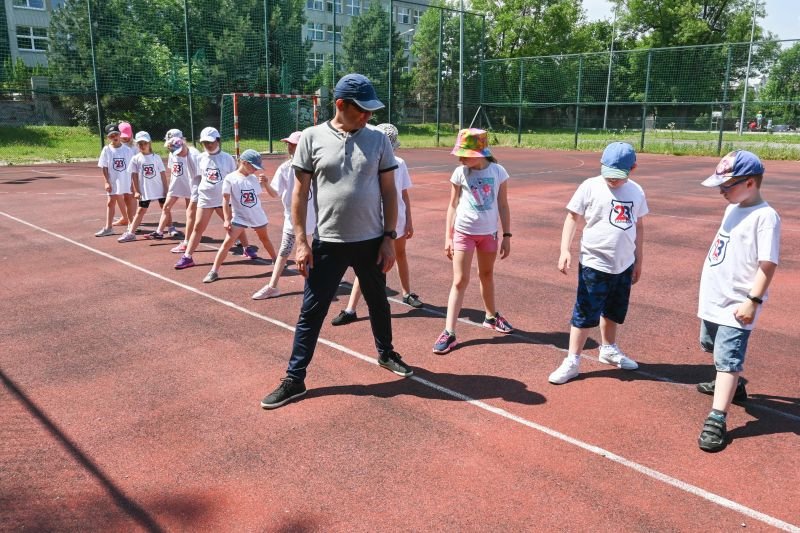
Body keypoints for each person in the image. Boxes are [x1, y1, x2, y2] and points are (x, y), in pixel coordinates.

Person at [261, 73, 413, 410]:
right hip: (327, 241)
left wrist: (389, 237)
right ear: (341, 105)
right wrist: (301, 240)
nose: (368, 116)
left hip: (372, 240)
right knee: (311, 311)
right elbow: (298, 194)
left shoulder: (379, 141)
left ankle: (386, 354)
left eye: (372, 111)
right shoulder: (312, 138)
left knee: (378, 303)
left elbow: (390, 192)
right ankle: (295, 378)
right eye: (362, 110)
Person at [695, 150, 780, 452]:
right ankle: (733, 385)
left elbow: (767, 264)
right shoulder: (734, 207)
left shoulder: (765, 217)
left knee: (728, 359)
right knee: (710, 346)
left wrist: (752, 301)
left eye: (726, 185)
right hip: (714, 298)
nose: (721, 191)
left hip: (737, 305)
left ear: (750, 183)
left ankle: (718, 417)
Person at [548, 142, 648, 384]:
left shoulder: (636, 191)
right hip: (594, 262)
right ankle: (572, 359)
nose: (612, 181)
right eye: (608, 175)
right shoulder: (590, 187)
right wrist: (564, 250)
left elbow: (639, 227)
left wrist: (638, 259)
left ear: (632, 168)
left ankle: (609, 348)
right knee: (585, 311)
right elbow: (572, 217)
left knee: (614, 309)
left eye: (618, 177)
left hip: (623, 264)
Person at [331, 122, 423, 324]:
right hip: (374, 221)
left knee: (400, 255)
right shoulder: (369, 161)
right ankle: (351, 309)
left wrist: (409, 220)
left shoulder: (399, 163)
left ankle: (407, 293)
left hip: (395, 220)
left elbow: (403, 194)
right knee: (368, 265)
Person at [431, 128, 513, 355]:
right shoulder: (459, 173)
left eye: (465, 154)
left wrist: (507, 235)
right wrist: (448, 236)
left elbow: (504, 205)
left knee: (486, 275)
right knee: (459, 280)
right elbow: (453, 205)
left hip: (489, 234)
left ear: (479, 153)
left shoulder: (498, 171)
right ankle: (449, 332)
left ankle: (491, 317)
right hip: (463, 233)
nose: (460, 158)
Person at [174, 126, 254, 269]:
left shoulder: (227, 158)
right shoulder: (199, 158)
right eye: (205, 143)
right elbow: (196, 178)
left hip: (224, 199)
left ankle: (246, 248)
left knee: (235, 226)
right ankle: (187, 257)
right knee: (198, 227)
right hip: (205, 198)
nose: (208, 145)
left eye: (211, 142)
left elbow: (235, 177)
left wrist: (235, 196)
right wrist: (195, 195)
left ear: (218, 141)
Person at [252, 131, 316, 300]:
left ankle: (329, 279)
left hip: (316, 218)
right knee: (284, 251)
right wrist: (266, 185)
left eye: (293, 144)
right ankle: (273, 286)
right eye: (288, 143)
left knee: (321, 250)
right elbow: (275, 193)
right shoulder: (285, 168)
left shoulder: (316, 166)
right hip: (293, 218)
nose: (289, 147)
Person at [202, 149, 277, 283]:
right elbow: (225, 199)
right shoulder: (230, 178)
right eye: (253, 167)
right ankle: (214, 271)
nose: (255, 170)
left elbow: (270, 194)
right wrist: (226, 219)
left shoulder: (254, 178)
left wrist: (265, 183)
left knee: (265, 239)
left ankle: (276, 261)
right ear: (244, 163)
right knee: (227, 243)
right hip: (239, 217)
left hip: (256, 215)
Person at [118, 131, 168, 242]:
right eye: (140, 143)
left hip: (159, 189)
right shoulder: (136, 159)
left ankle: (170, 227)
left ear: (149, 143)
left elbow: (162, 174)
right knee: (140, 211)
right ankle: (131, 233)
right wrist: (136, 190)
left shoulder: (157, 157)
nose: (142, 145)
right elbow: (134, 176)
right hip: (146, 190)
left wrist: (166, 189)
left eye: (144, 143)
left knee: (165, 208)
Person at [149, 131, 197, 240]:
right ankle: (159, 232)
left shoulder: (192, 152)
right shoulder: (172, 152)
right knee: (166, 206)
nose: (170, 147)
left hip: (189, 185)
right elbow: (172, 170)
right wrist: (169, 185)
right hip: (176, 184)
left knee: (190, 212)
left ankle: (191, 235)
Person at [95, 123, 135, 237]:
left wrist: (133, 183)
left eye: (116, 134)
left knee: (128, 201)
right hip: (113, 181)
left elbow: (132, 168)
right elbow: (104, 167)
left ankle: (130, 226)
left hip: (126, 180)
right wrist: (107, 181)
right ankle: (108, 227)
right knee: (110, 202)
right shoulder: (107, 150)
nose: (115, 137)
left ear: (120, 134)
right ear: (108, 138)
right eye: (112, 136)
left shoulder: (127, 150)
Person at [115, 121, 138, 226]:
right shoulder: (116, 145)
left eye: (127, 136)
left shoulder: (136, 145)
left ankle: (131, 218)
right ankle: (125, 217)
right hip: (120, 174)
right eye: (123, 137)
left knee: (131, 196)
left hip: (133, 174)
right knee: (118, 194)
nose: (126, 139)